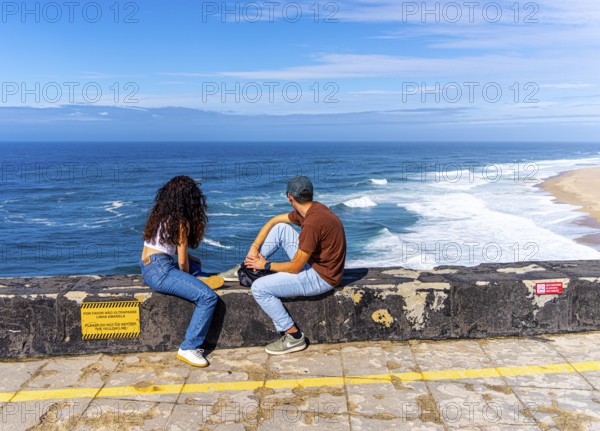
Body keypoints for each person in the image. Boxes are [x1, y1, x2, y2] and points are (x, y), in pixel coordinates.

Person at [244, 176, 346, 355]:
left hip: (322, 278)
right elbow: (275, 220)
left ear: (289, 197)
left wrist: (266, 265)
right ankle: (248, 266)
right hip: (316, 265)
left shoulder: (313, 223)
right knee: (281, 228)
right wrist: (254, 249)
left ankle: (294, 337)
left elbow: (295, 267)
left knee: (259, 288)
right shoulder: (315, 209)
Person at [140, 176, 222, 367]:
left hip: (148, 266)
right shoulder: (181, 222)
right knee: (208, 298)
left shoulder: (159, 215)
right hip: (161, 270)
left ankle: (199, 278)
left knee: (195, 265)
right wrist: (187, 273)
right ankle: (189, 347)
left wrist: (193, 263)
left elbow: (167, 249)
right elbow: (182, 261)